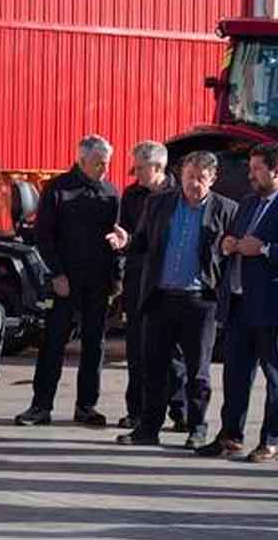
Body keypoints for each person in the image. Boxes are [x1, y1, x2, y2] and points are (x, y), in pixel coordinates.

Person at [197, 142, 278, 462]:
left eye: (256, 169)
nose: (250, 175)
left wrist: (265, 249)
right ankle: (230, 436)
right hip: (241, 303)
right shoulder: (250, 202)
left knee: (276, 377)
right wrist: (229, 244)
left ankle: (270, 440)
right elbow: (240, 240)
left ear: (276, 170)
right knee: (235, 375)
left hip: (277, 307)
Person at [107, 150, 237, 448]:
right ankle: (148, 428)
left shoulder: (227, 210)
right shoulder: (158, 204)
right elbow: (140, 244)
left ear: (213, 179)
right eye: (189, 177)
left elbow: (230, 260)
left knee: (198, 371)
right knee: (154, 366)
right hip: (161, 298)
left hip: (200, 301)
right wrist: (125, 242)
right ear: (180, 176)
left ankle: (197, 427)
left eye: (201, 179)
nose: (194, 184)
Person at [14, 134, 121, 427]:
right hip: (65, 282)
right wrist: (57, 274)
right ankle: (40, 406)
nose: (105, 169)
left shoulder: (111, 193)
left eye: (107, 163)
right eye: (100, 163)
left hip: (98, 283)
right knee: (53, 343)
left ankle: (87, 406)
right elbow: (44, 236)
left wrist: (116, 279)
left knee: (94, 346)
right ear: (82, 160)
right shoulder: (58, 190)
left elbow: (117, 237)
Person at [116, 141, 180, 431]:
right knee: (137, 350)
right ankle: (137, 411)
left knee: (176, 354)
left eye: (140, 168)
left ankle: (182, 411)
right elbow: (130, 237)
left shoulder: (181, 196)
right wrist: (123, 242)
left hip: (171, 285)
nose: (136, 173)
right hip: (138, 283)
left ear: (157, 167)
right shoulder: (131, 196)